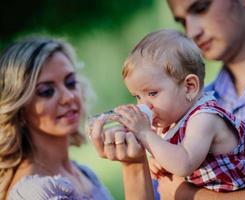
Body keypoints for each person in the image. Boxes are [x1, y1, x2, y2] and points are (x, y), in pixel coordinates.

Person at [153, 0, 245, 199]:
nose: (192, 32)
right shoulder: (186, 105)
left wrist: (202, 197)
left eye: (201, 8)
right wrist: (133, 163)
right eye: (182, 21)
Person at [108, 29, 245, 192]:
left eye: (152, 93)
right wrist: (158, 159)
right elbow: (172, 156)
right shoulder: (172, 119)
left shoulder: (204, 118)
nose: (144, 105)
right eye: (137, 97)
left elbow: (184, 163)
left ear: (189, 87)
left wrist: (146, 134)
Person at [0, 37, 154, 200]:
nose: (68, 97)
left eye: (71, 82)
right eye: (46, 91)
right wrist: (133, 167)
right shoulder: (34, 193)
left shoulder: (84, 174)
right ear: (20, 109)